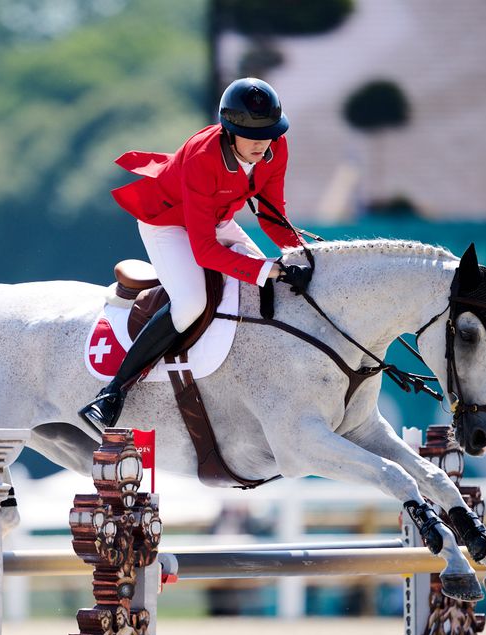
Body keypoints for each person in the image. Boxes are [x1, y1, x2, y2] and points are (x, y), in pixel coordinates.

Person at [79, 77, 314, 432]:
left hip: (215, 219)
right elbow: (205, 251)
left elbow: (271, 214)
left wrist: (299, 255)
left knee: (264, 288)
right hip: (168, 223)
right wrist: (268, 269)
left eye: (269, 133)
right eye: (252, 136)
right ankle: (112, 393)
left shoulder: (275, 147)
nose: (262, 143)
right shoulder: (203, 156)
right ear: (230, 131)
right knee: (191, 303)